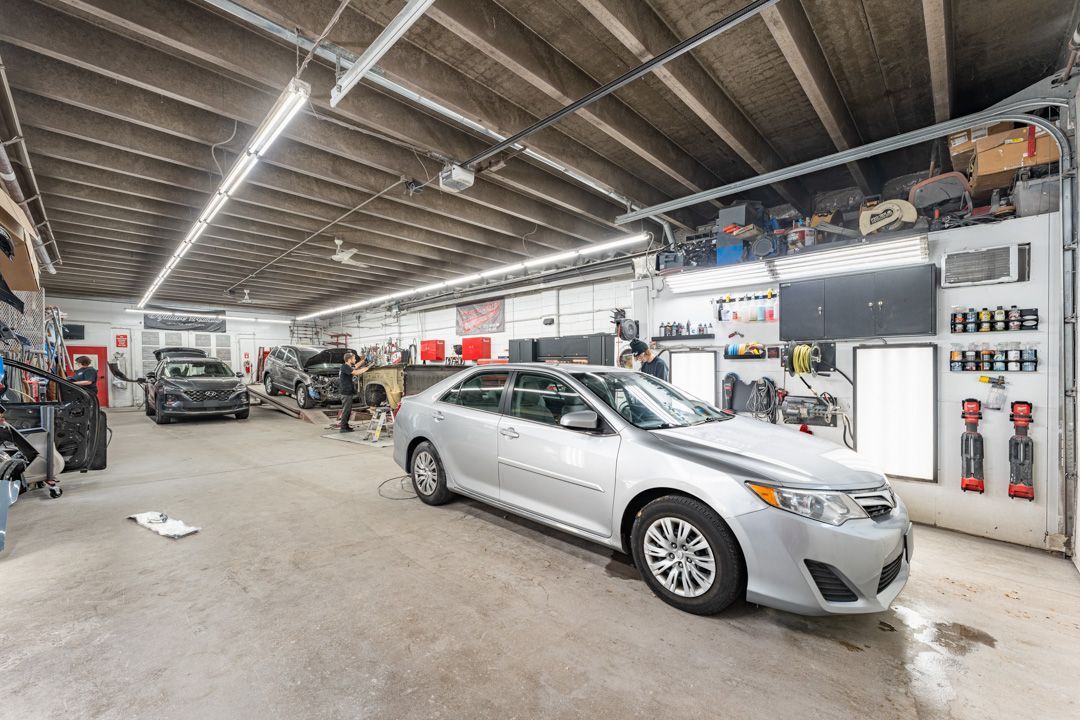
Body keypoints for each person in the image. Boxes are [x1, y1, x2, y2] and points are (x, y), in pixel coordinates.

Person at [338, 352, 370, 433]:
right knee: (346, 410)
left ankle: (346, 426)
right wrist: (367, 368)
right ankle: (343, 428)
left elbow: (355, 366)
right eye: (354, 358)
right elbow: (355, 372)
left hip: (348, 391)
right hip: (345, 392)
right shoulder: (344, 366)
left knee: (348, 410)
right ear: (349, 360)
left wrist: (363, 361)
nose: (355, 359)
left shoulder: (347, 366)